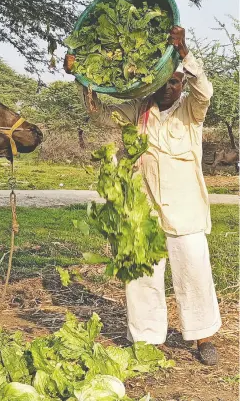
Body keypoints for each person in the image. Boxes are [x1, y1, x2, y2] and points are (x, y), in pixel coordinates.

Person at [64, 26, 220, 366]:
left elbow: (204, 91)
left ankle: (202, 337)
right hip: (143, 209)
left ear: (181, 83)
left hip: (186, 210)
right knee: (142, 274)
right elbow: (103, 116)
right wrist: (81, 78)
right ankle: (147, 339)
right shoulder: (139, 109)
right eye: (164, 82)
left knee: (193, 272)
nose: (169, 88)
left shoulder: (191, 111)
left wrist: (184, 53)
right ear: (153, 83)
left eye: (175, 82)